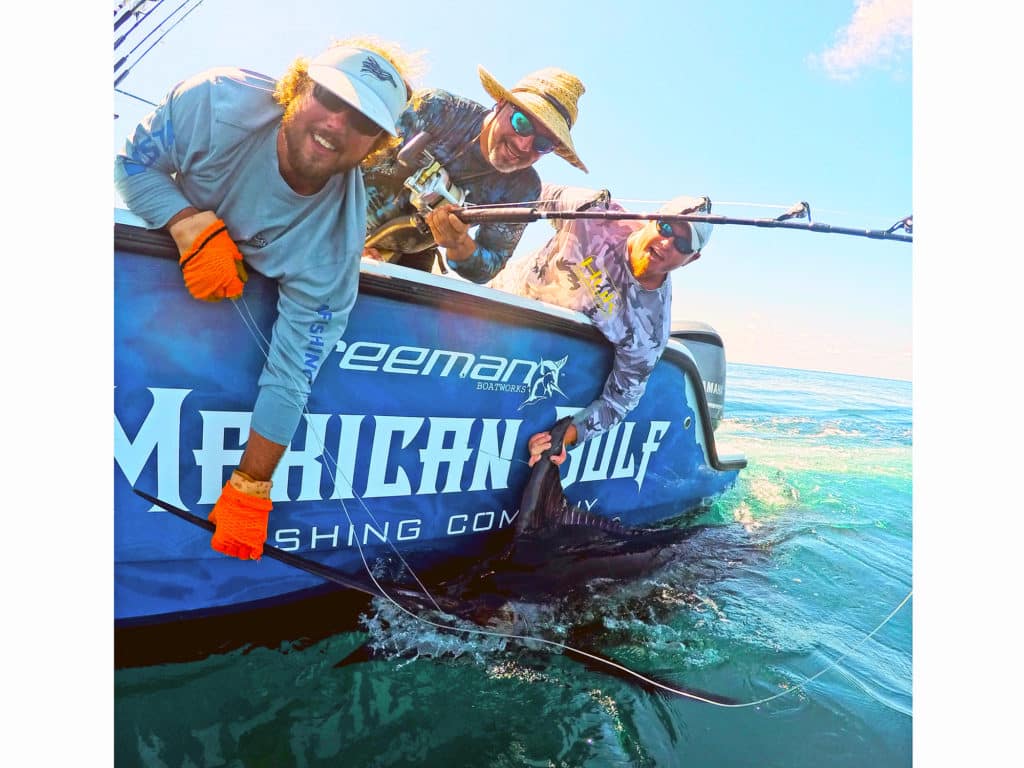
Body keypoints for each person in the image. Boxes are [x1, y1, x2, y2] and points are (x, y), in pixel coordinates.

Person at [114, 39, 414, 562]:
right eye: (329, 97)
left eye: (364, 122)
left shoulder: (336, 243)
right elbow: (131, 164)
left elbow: (292, 371)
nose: (338, 124)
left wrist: (251, 487)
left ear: (377, 147)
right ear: (298, 86)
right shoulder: (214, 100)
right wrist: (186, 224)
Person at [486, 184, 714, 466]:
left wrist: (562, 437)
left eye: (682, 244)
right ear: (653, 218)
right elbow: (531, 191)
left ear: (693, 259)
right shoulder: (594, 212)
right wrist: (482, 249)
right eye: (666, 227)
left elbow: (618, 404)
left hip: (534, 363)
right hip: (490, 309)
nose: (667, 243)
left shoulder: (650, 331)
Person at [361, 65, 588, 280]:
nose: (523, 144)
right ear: (500, 104)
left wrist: (459, 244)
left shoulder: (523, 189)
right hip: (334, 212)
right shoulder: (437, 108)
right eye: (522, 122)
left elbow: (489, 267)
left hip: (403, 257)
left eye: (543, 143)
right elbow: (352, 151)